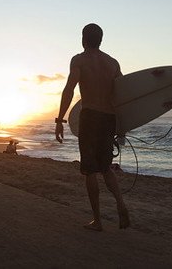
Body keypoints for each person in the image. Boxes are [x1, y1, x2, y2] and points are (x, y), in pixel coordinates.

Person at [55, 23, 130, 231]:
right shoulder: (112, 63)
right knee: (106, 167)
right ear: (101, 39)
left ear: (83, 39)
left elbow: (69, 89)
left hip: (90, 116)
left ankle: (97, 220)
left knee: (89, 171)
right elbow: (122, 96)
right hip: (109, 118)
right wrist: (123, 126)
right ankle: (121, 204)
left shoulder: (79, 60)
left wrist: (60, 120)